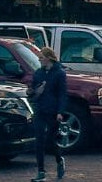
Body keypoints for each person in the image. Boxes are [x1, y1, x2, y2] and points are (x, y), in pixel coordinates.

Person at [27, 46, 67, 181]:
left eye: (41, 58)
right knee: (39, 140)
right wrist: (31, 90)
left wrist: (60, 112)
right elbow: (32, 87)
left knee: (50, 140)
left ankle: (59, 159)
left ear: (49, 58)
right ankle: (41, 171)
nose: (39, 60)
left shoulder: (59, 73)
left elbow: (62, 94)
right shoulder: (38, 73)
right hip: (40, 109)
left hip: (53, 111)